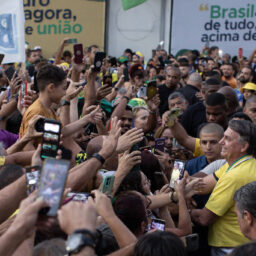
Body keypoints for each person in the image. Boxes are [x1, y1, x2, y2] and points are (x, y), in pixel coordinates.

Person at [191, 120, 256, 255]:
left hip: (231, 249)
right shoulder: (238, 163)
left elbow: (204, 218)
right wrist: (183, 182)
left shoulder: (235, 175)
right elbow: (202, 185)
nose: (221, 142)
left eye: (227, 139)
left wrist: (187, 210)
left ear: (244, 146)